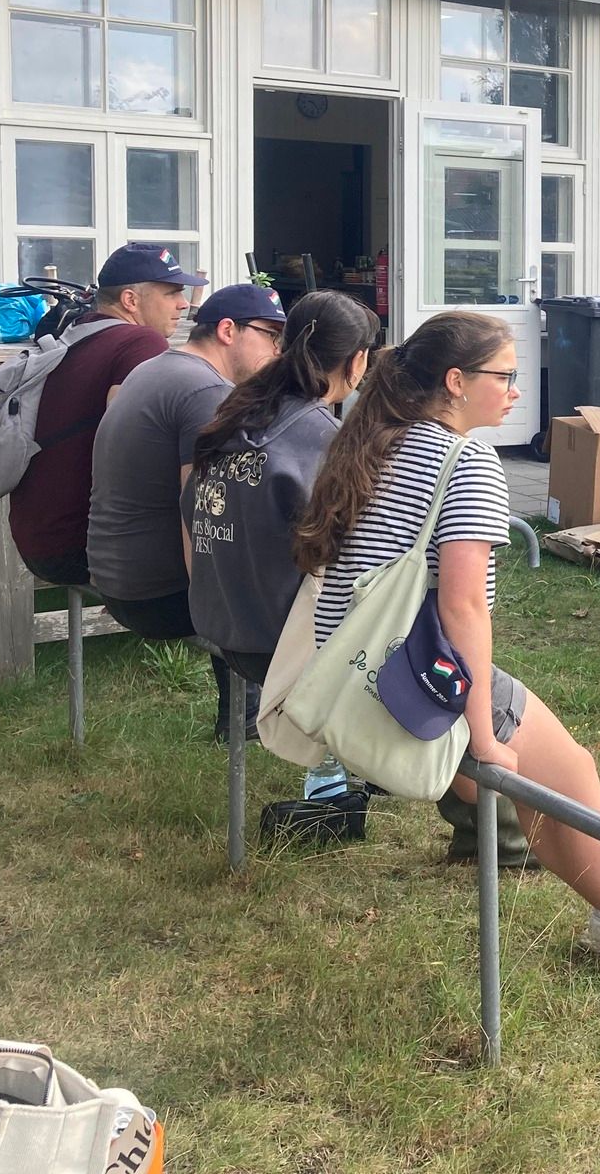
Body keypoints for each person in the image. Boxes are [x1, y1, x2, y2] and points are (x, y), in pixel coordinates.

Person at [296, 312, 600, 973]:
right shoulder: (467, 460)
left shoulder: (373, 441)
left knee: (547, 779)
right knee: (571, 773)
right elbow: (462, 606)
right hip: (415, 682)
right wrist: (483, 735)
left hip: (353, 674)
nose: (518, 388)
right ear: (457, 381)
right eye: (506, 376)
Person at [183, 290, 376, 839]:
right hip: (279, 646)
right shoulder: (322, 440)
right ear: (357, 361)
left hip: (223, 625)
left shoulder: (237, 414)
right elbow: (356, 557)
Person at [90, 282, 286, 732]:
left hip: (111, 576)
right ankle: (255, 722)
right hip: (153, 595)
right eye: (270, 335)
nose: (277, 352)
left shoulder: (156, 367)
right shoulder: (207, 393)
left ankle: (248, 717)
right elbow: (203, 513)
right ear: (227, 330)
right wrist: (220, 613)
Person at [10, 243, 205, 590]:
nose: (184, 302)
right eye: (172, 292)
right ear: (130, 300)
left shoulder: (77, 331)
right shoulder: (141, 343)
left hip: (35, 535)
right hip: (81, 547)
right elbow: (133, 454)